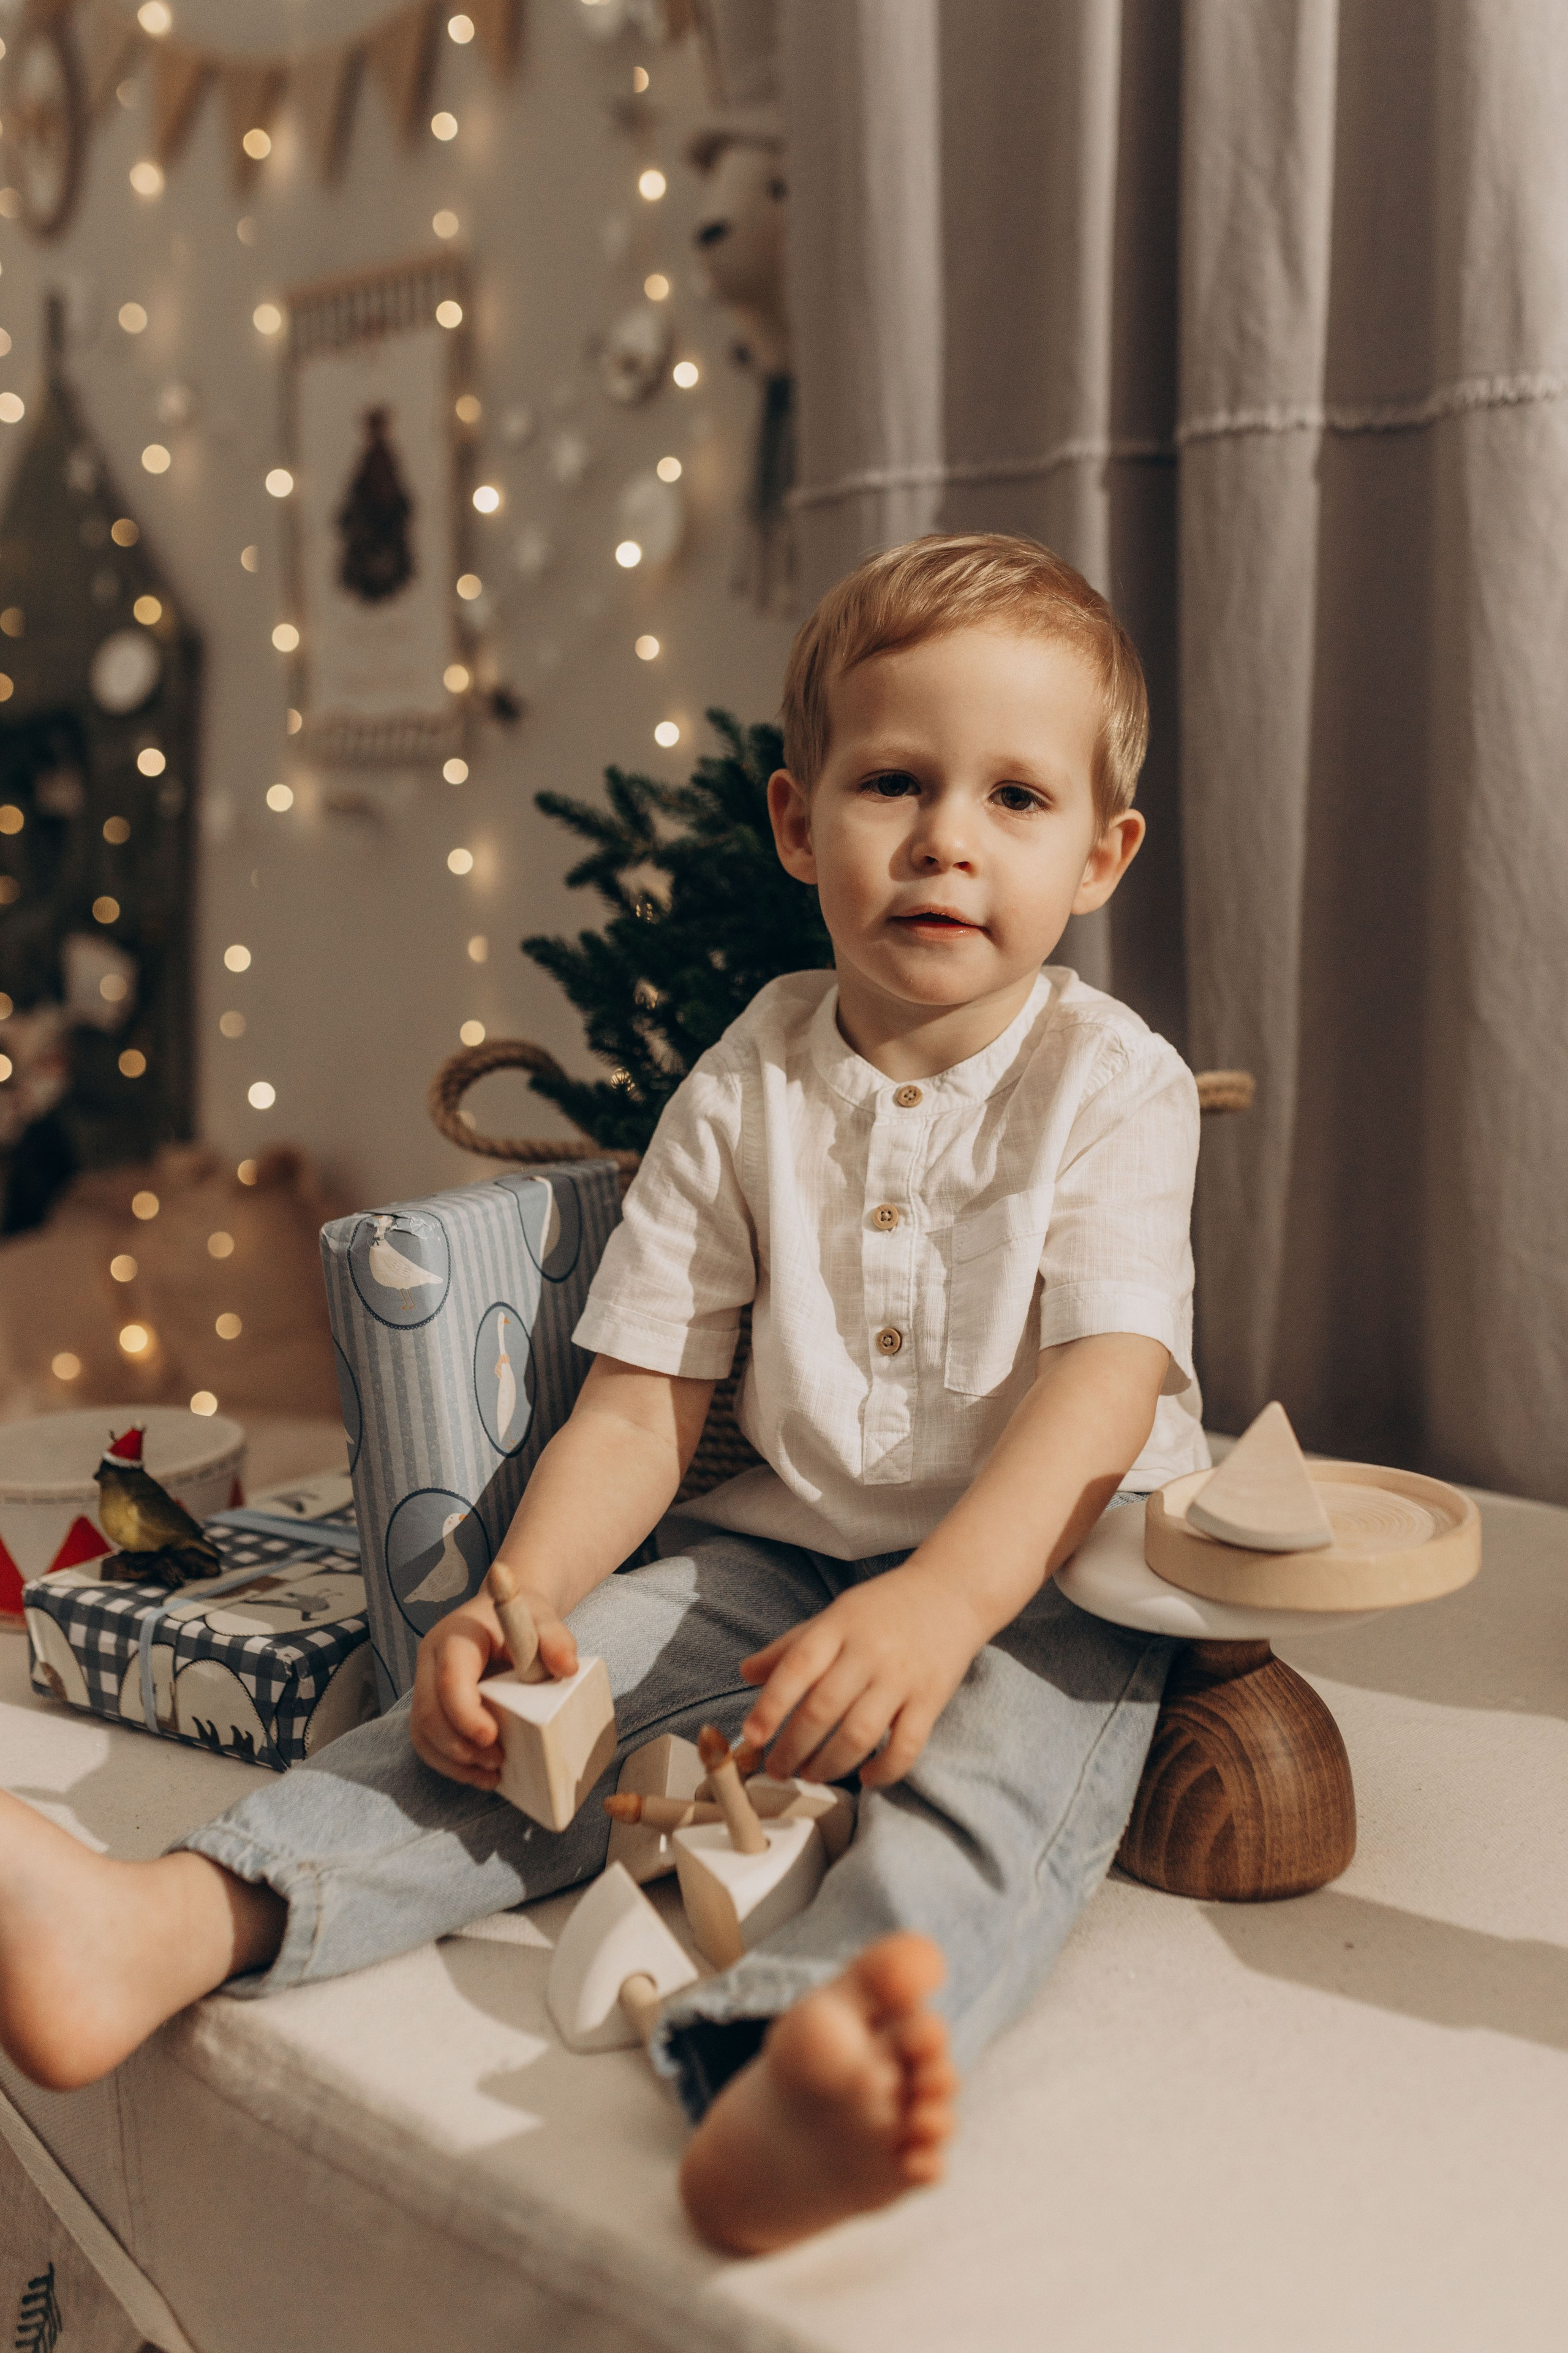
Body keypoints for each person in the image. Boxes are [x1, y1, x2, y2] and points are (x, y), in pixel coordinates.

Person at [0, 533, 1207, 2255]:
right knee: (529, 1726)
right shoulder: (748, 1079)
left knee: (993, 1784)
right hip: (780, 1550)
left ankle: (785, 2064)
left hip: (1043, 1567)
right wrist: (527, 1596)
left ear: (1100, 855)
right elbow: (640, 1405)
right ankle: (178, 1917)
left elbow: (1102, 1389)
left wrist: (944, 1602)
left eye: (1016, 797)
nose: (947, 835)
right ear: (799, 822)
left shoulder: (1115, 1081)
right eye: (894, 781)